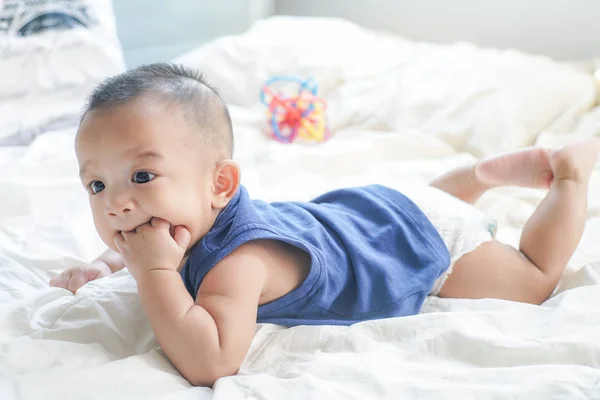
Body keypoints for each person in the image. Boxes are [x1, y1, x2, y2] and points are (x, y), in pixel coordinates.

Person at [50, 63, 600, 387]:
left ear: (220, 184)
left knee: (532, 279)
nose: (118, 205)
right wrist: (103, 263)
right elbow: (140, 246)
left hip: (423, 242)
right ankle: (475, 176)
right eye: (97, 185)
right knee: (421, 208)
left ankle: (570, 174)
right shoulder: (174, 220)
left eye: (142, 175)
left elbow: (210, 361)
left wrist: (153, 275)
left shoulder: (239, 265)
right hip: (378, 208)